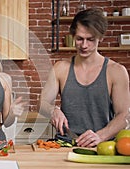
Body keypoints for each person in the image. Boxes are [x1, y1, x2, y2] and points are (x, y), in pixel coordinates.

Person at [39, 8, 130, 147]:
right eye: (80, 39)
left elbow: (124, 116)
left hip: (101, 146)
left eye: (90, 40)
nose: (84, 45)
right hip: (65, 144)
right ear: (73, 36)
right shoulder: (60, 68)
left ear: (100, 38)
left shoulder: (116, 71)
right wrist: (53, 110)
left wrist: (100, 135)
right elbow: (42, 103)